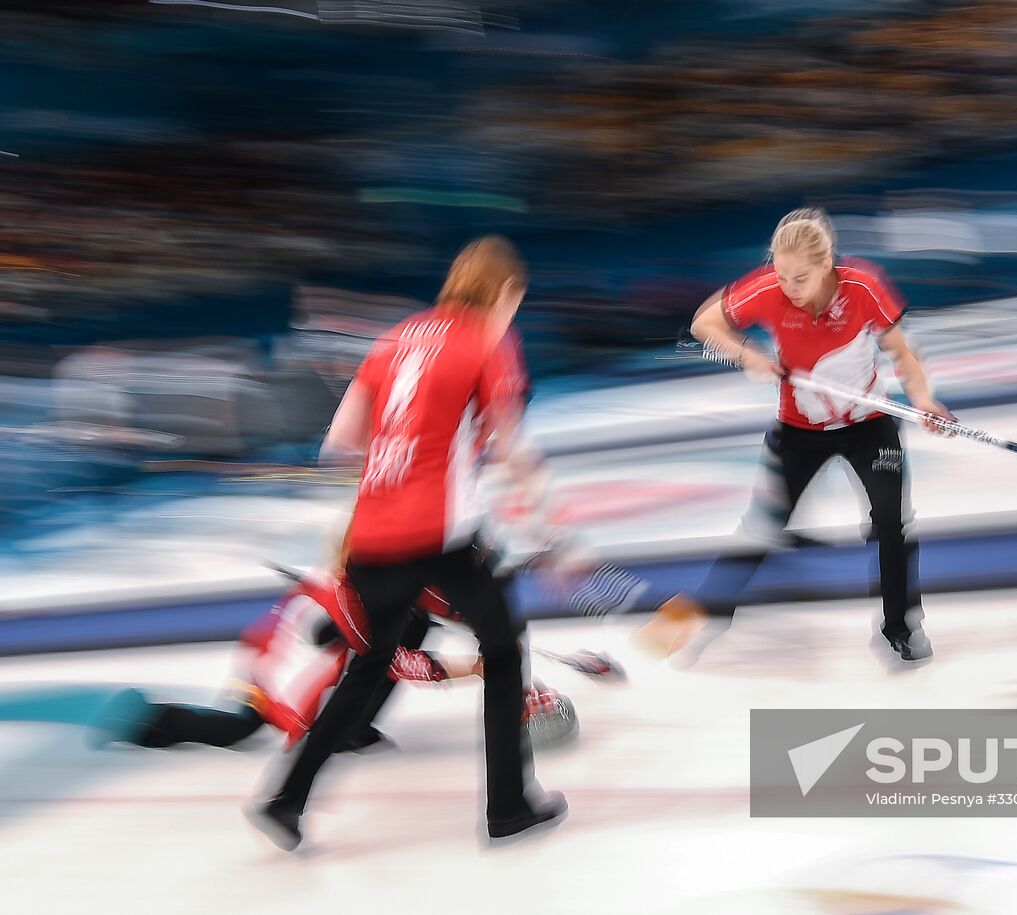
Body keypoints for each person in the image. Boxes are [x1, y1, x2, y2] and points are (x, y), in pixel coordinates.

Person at [245, 235, 565, 851]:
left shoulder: (395, 338)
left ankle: (285, 800)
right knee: (503, 650)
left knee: (368, 666)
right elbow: (511, 449)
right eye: (514, 303)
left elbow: (340, 441)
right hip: (437, 534)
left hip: (370, 535)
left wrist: (403, 450)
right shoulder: (488, 340)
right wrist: (552, 531)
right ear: (504, 291)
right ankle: (509, 807)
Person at [686, 208, 954, 662]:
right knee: (763, 525)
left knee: (891, 523)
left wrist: (923, 399)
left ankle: (901, 627)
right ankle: (707, 614)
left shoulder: (864, 287)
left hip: (869, 424)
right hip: (798, 430)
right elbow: (704, 324)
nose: (789, 287)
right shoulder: (768, 290)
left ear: (827, 263)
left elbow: (903, 354)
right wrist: (748, 354)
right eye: (782, 276)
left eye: (801, 278)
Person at [92, 569, 576, 753]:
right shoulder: (357, 608)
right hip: (277, 668)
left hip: (305, 644)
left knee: (410, 627)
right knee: (239, 728)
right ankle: (148, 721)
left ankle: (353, 727)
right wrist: (476, 667)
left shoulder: (379, 588)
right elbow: (398, 663)